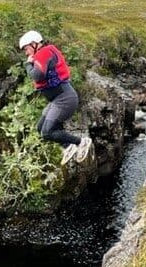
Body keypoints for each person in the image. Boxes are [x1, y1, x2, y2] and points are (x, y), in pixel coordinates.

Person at [19, 30, 92, 165]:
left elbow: (37, 76)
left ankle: (81, 142)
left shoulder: (44, 53)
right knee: (40, 128)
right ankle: (68, 147)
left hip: (64, 99)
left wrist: (28, 64)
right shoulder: (43, 53)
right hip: (56, 100)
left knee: (47, 132)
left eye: (26, 48)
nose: (26, 52)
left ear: (34, 44)